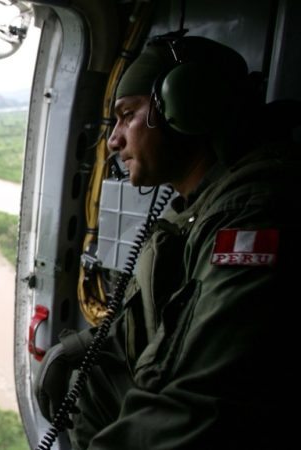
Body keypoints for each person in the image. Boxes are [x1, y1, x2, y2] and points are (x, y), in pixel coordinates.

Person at [35, 34, 299, 449]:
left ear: (186, 108)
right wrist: (80, 346)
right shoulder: (198, 205)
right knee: (95, 374)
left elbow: (209, 397)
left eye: (127, 115)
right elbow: (168, 316)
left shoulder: (253, 211)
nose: (114, 141)